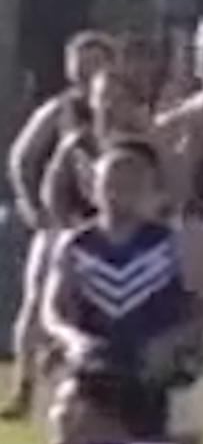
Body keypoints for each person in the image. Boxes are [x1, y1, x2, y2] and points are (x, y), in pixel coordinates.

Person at [40, 140, 203, 444]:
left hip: (161, 370)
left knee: (182, 428)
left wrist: (172, 341)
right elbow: (52, 310)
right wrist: (73, 340)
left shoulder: (174, 243)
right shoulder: (76, 245)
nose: (120, 192)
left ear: (152, 191)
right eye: (111, 182)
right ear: (93, 188)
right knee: (67, 418)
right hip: (98, 365)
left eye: (132, 183)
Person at [2, 31, 116, 419]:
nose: (87, 70)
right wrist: (33, 206)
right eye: (81, 61)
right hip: (62, 220)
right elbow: (22, 156)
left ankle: (99, 392)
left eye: (97, 60)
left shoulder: (122, 109)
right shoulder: (62, 109)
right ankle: (24, 387)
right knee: (36, 303)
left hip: (107, 224)